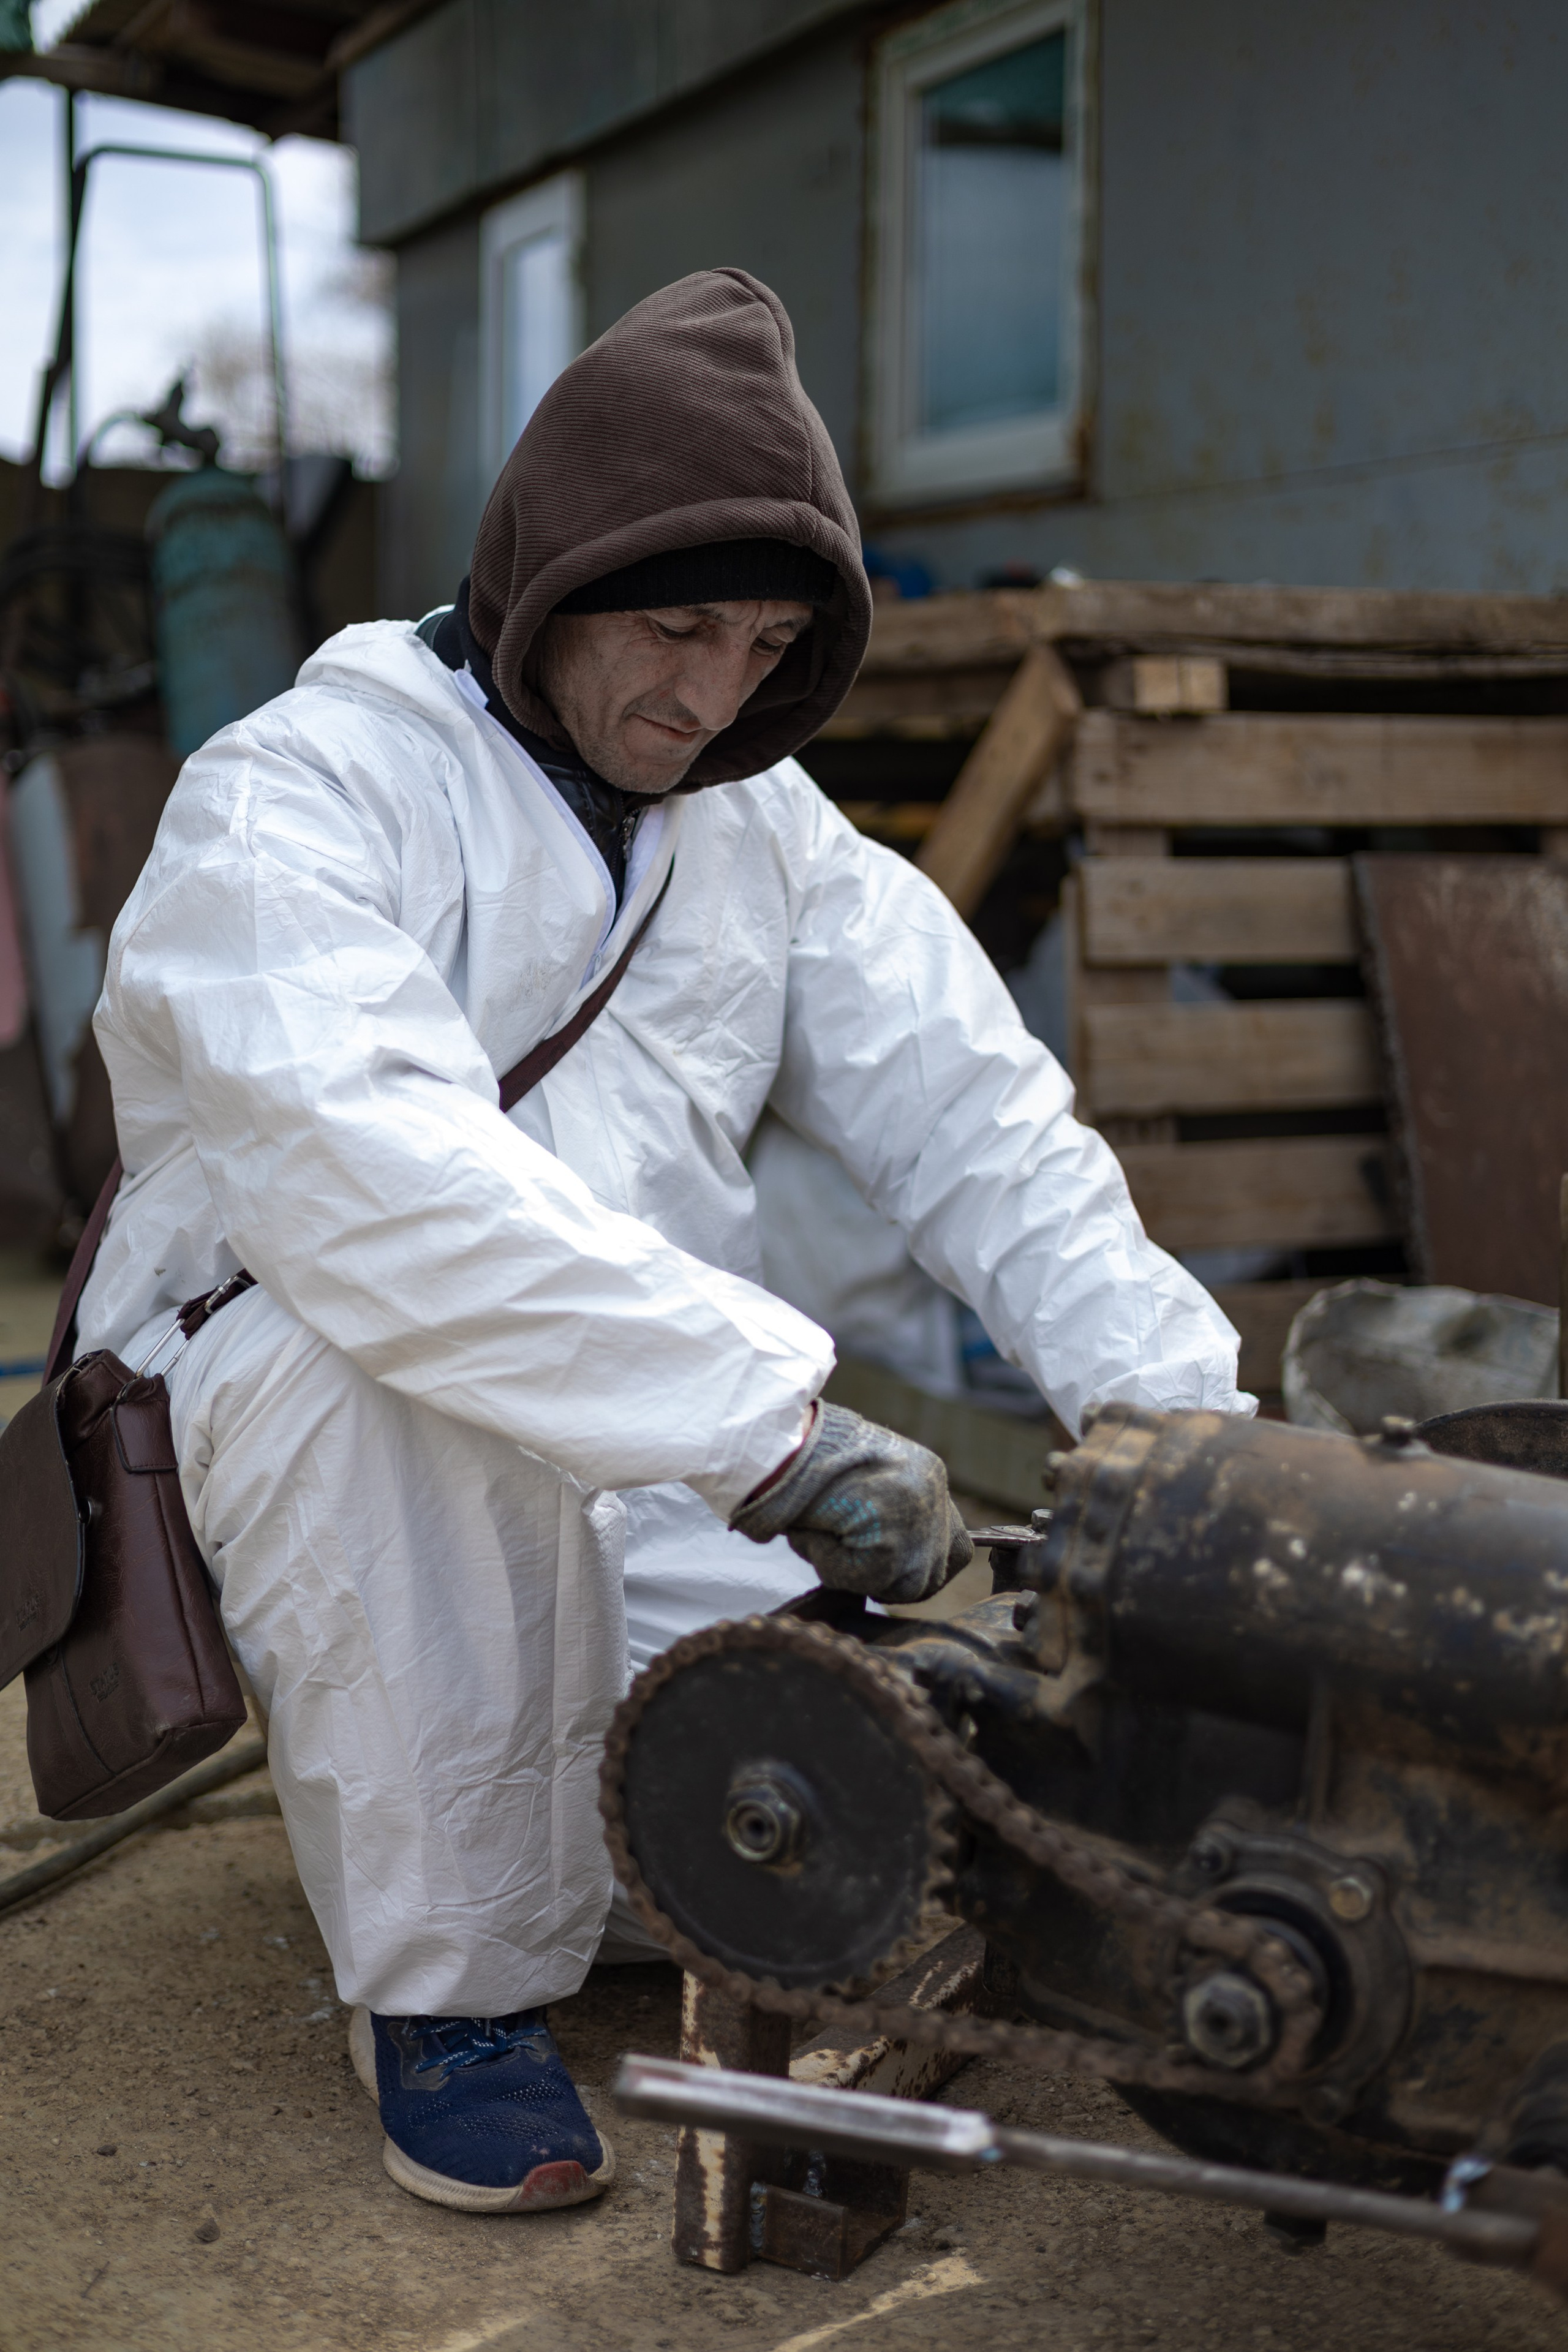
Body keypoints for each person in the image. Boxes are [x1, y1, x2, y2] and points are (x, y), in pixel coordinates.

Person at [78, 270, 1250, 2218]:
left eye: (766, 642)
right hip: (353, 1420)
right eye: (677, 626)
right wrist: (777, 1430)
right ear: (549, 578)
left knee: (771, 1825)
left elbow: (980, 1117)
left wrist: (1191, 1439)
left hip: (657, 1440)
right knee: (376, 1386)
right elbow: (384, 1188)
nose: (710, 694)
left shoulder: (761, 824)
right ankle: (451, 2001)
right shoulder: (296, 794)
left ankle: (568, 1879)